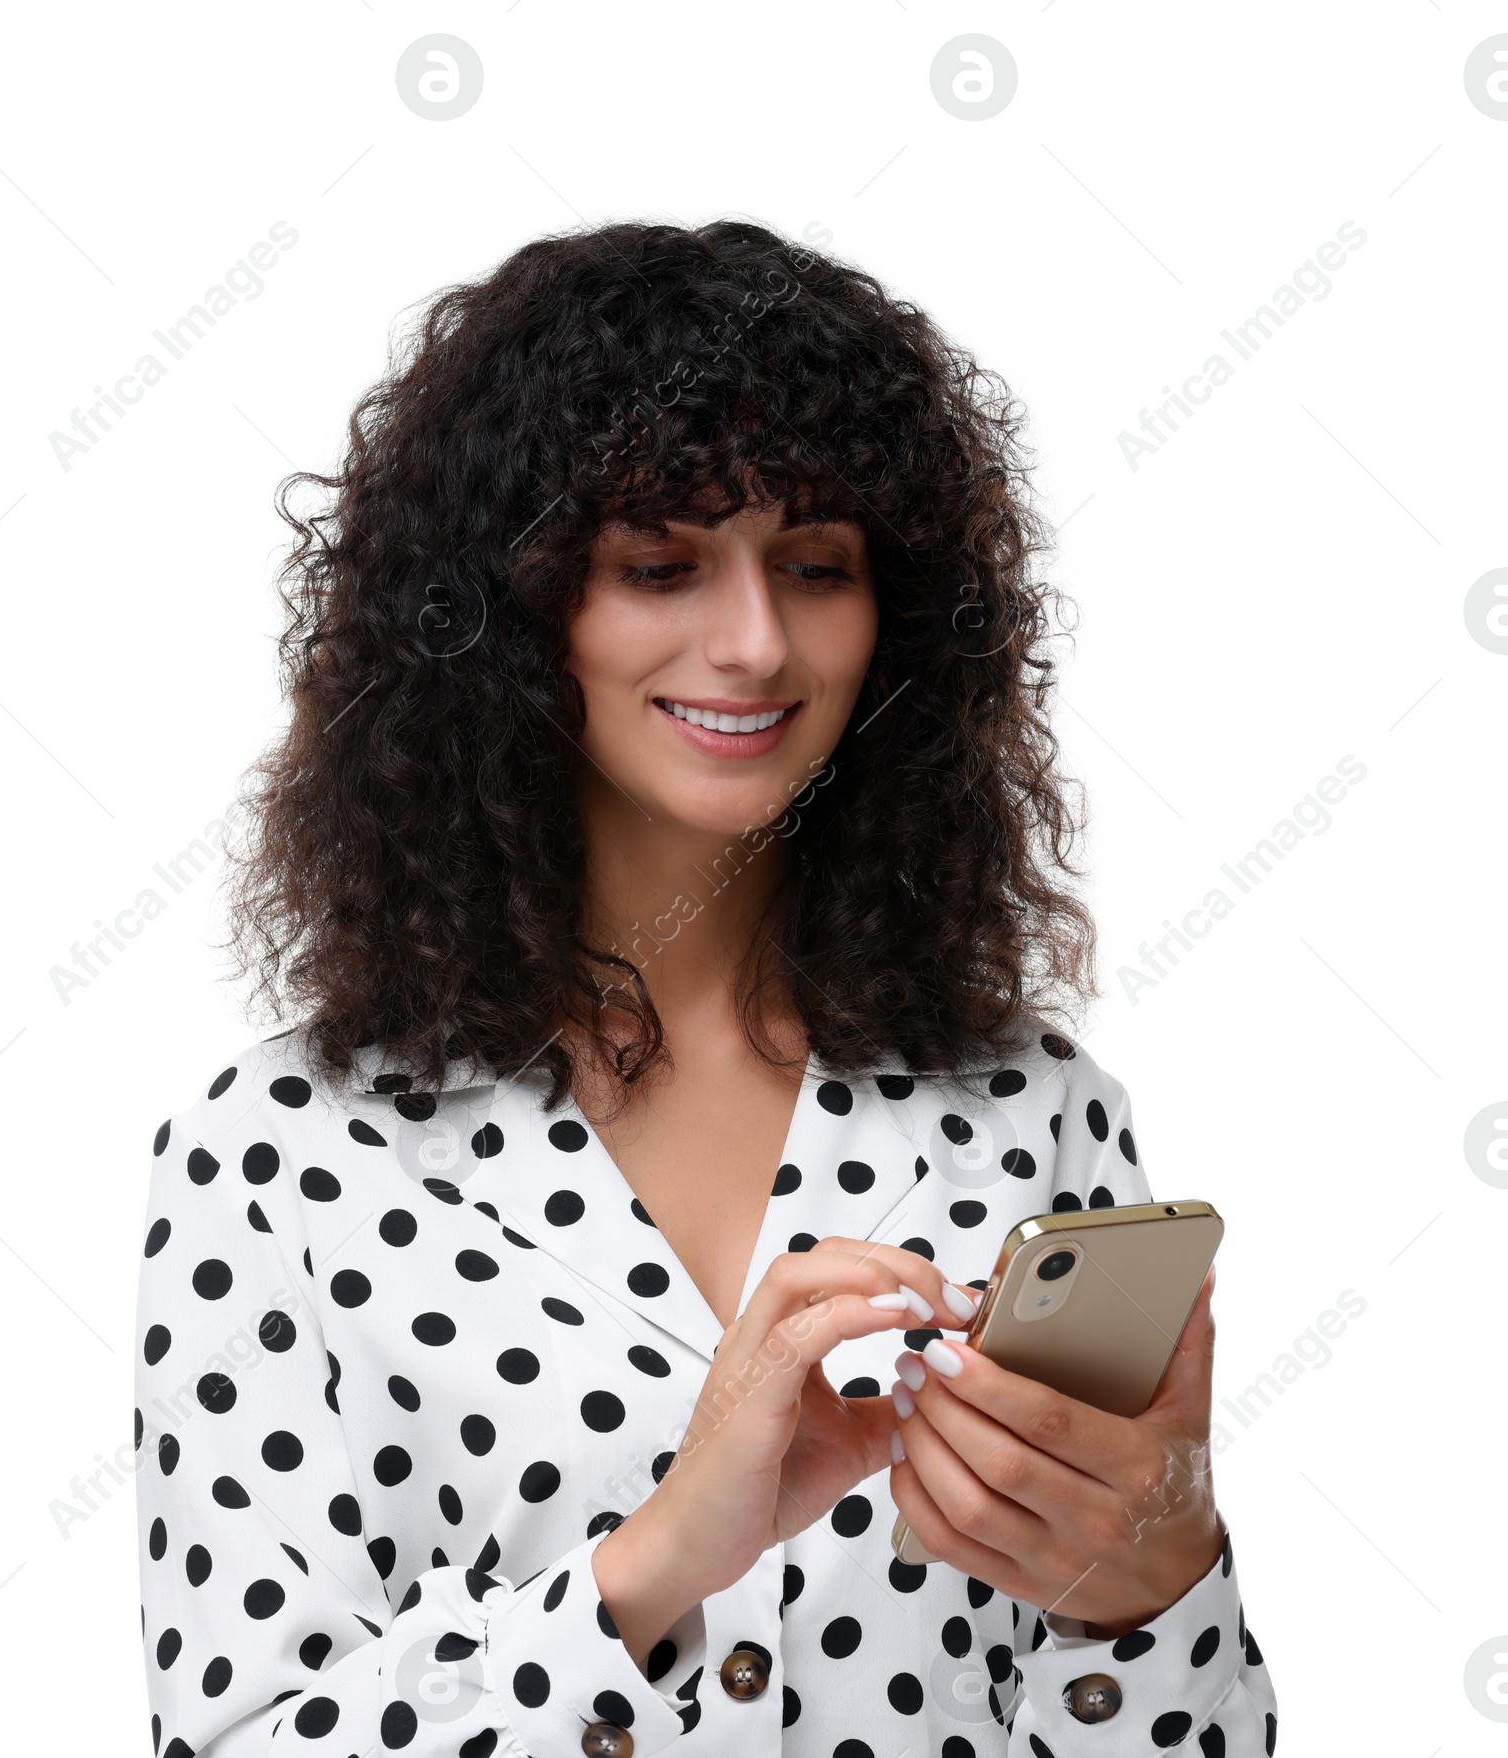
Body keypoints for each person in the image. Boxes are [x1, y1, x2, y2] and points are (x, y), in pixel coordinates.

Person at [134, 220, 1278, 1757]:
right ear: (506, 612)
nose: (752, 641)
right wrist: (656, 1562)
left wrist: (1148, 1594)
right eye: (660, 565)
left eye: (817, 566)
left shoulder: (1033, 1118)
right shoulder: (279, 1156)